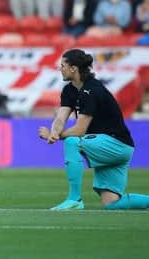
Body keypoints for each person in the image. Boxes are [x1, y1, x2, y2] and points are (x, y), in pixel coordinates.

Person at [37, 49, 149, 211]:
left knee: (72, 141)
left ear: (73, 68)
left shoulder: (91, 90)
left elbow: (80, 129)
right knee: (111, 205)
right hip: (111, 145)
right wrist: (53, 133)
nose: (60, 69)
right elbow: (61, 118)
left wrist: (56, 136)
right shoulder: (69, 90)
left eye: (62, 65)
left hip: (115, 144)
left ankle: (74, 199)